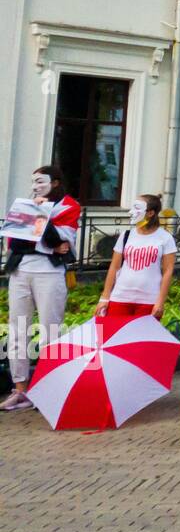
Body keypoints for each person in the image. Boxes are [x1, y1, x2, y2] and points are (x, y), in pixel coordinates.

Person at [2, 166, 80, 412]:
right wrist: (46, 239)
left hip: (49, 273)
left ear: (55, 183)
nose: (36, 185)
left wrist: (39, 220)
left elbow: (62, 242)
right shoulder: (26, 205)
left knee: (51, 330)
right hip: (21, 272)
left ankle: (49, 389)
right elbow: (15, 240)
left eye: (41, 181)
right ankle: (20, 389)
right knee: (18, 330)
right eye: (33, 181)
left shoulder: (69, 206)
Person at [95, 194, 176, 320]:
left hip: (149, 299)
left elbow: (168, 271)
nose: (131, 212)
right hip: (120, 297)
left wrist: (160, 301)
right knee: (115, 336)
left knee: (143, 338)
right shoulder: (126, 235)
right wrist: (105, 297)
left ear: (150, 213)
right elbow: (114, 267)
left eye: (137, 208)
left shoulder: (165, 238)